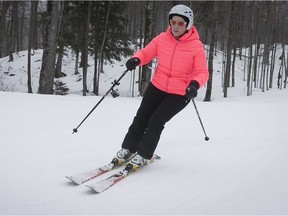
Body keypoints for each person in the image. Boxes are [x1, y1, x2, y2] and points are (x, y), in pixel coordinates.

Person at [112, 4, 209, 169]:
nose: (176, 26)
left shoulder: (196, 46)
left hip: (180, 93)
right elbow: (146, 53)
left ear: (188, 25)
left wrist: (194, 84)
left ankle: (143, 154)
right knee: (141, 117)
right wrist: (136, 59)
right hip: (157, 85)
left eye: (181, 23)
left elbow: (202, 72)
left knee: (156, 121)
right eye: (173, 22)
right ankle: (129, 147)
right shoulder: (162, 38)